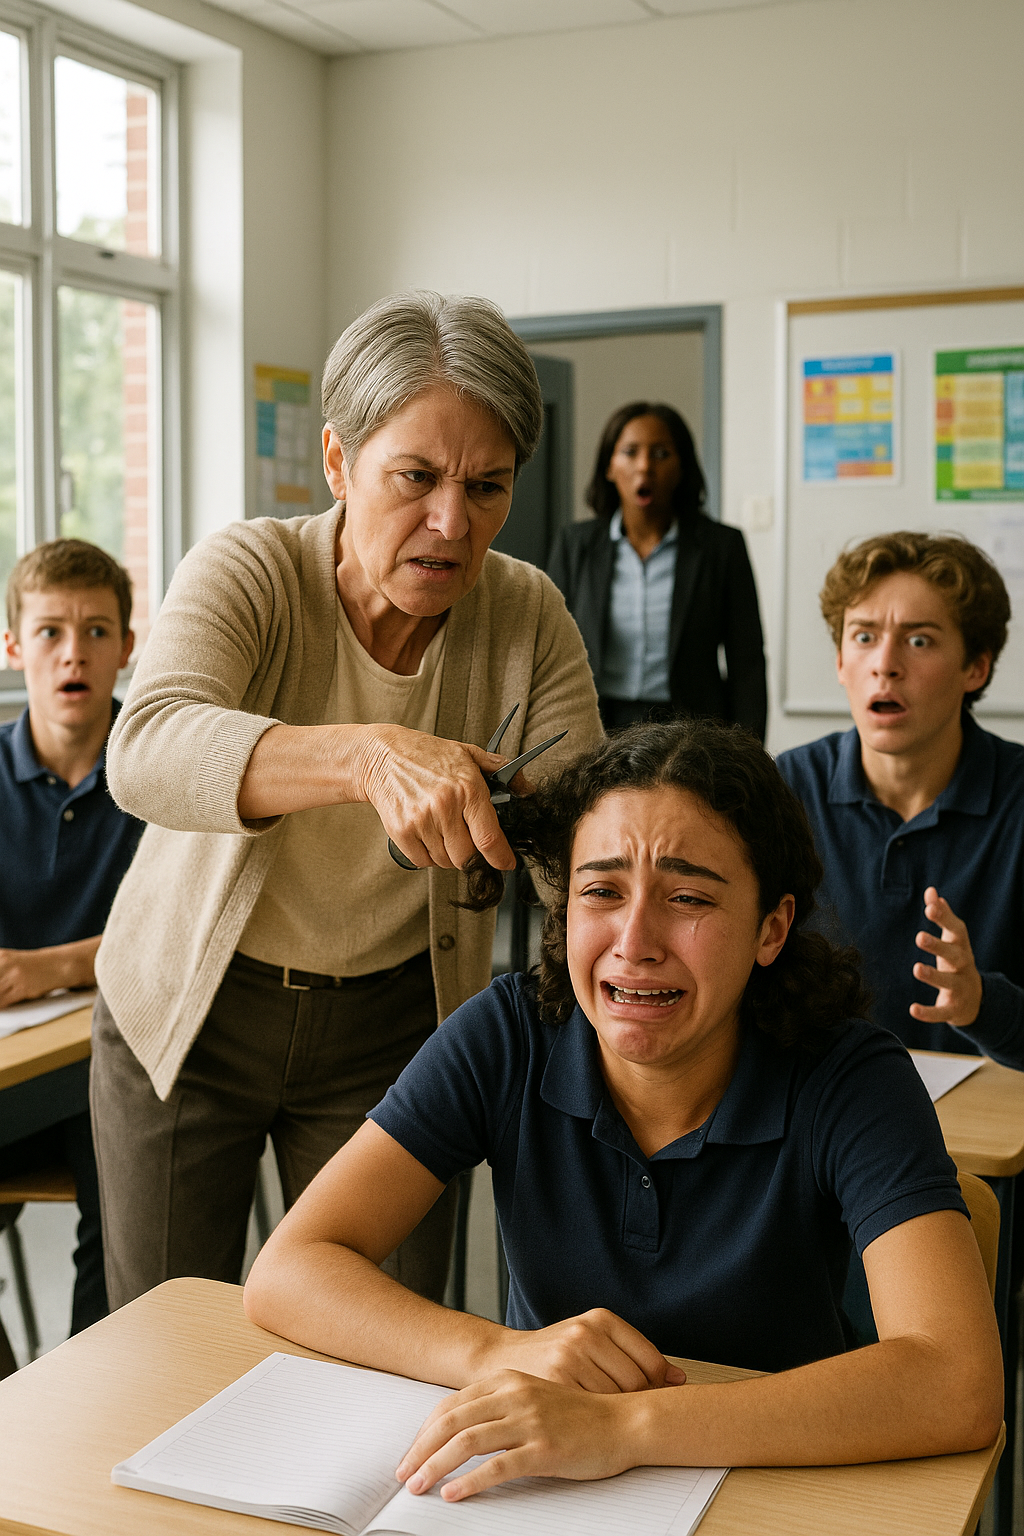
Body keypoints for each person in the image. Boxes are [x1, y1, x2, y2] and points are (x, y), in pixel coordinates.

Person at [243, 721, 1000, 1497]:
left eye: (688, 898)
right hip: (545, 1486)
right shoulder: (509, 1034)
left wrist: (623, 1429)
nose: (634, 942)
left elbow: (958, 1381)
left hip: (777, 1486)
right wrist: (495, 1353)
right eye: (601, 892)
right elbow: (290, 1269)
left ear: (771, 929)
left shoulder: (850, 1076)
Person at [92, 291, 603, 1312]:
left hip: (391, 1025)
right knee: (164, 1333)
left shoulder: (527, 612)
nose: (452, 523)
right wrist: (369, 757)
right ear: (338, 460)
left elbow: (585, 835)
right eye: (416, 477)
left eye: (488, 487)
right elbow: (145, 750)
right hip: (194, 1011)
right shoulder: (251, 569)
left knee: (380, 1346)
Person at [777, 531, 1024, 1068]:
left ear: (975, 668)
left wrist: (983, 1003)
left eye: (919, 641)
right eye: (864, 637)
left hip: (990, 1110)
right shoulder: (784, 788)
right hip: (824, 1103)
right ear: (840, 662)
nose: (884, 664)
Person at [0, 540, 142, 1364]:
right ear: (14, 647)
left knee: (120, 1217)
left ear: (127, 647)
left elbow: (178, 931)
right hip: (15, 1074)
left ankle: (88, 1392)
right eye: (50, 631)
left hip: (118, 1067)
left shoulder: (156, 769)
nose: (73, 654)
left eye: (96, 631)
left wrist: (46, 967)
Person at [547, 402, 767, 739]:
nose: (645, 466)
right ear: (609, 466)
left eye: (661, 453)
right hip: (596, 724)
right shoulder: (576, 545)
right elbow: (550, 651)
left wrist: (749, 751)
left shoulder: (721, 547)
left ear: (682, 467)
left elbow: (747, 663)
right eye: (630, 452)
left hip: (692, 729)